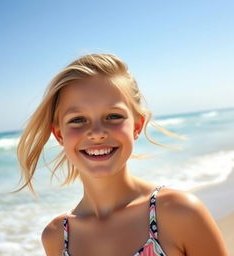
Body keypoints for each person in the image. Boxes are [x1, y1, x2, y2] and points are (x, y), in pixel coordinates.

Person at [17, 53, 228, 256]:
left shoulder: (178, 213)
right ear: (59, 134)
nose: (97, 133)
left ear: (137, 126)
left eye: (113, 116)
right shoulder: (57, 237)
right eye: (78, 120)